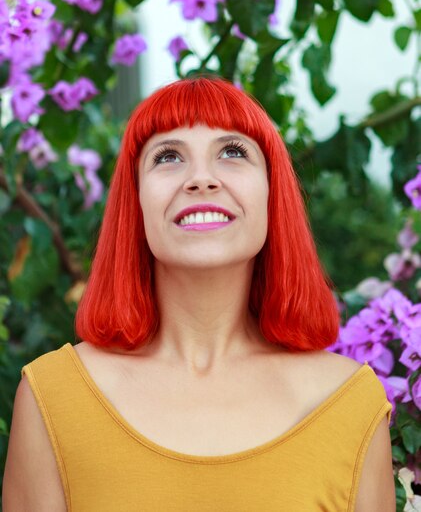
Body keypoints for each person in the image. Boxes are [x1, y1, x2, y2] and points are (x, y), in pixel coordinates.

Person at [3, 76, 395, 511]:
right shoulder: (50, 397)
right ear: (135, 201)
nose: (201, 179)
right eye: (168, 156)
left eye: (233, 152)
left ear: (272, 195)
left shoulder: (351, 402)